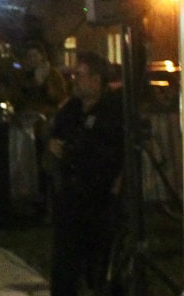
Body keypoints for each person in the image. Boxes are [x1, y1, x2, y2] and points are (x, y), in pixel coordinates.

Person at [45, 52, 123, 296]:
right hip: (70, 197)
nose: (74, 80)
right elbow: (56, 138)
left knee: (102, 263)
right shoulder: (71, 109)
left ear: (96, 79)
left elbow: (107, 153)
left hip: (101, 200)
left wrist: (73, 151)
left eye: (79, 75)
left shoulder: (113, 110)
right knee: (65, 263)